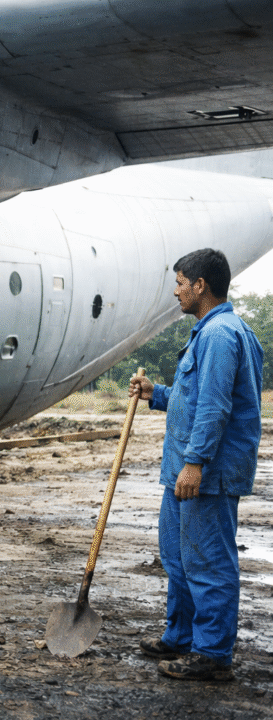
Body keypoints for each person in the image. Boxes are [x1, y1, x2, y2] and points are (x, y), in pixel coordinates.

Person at [128, 248, 262, 682]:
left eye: (181, 282)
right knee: (178, 557)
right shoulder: (210, 332)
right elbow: (192, 398)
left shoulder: (221, 335)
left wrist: (196, 463)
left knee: (207, 563)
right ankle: (181, 635)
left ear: (200, 286)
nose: (176, 291)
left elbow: (215, 407)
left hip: (205, 473)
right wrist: (156, 393)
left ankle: (212, 653)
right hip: (185, 471)